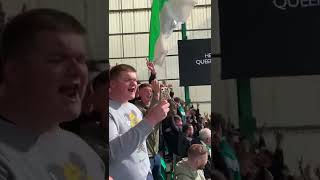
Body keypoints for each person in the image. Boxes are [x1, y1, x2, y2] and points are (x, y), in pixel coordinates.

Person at [0, 8, 105, 179]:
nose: (76, 70)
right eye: (57, 59)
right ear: (14, 71)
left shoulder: (85, 152)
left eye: (80, 60)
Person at [109, 64, 170, 180]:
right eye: (127, 80)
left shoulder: (134, 109)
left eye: (135, 80)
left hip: (146, 174)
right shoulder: (108, 112)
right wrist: (150, 120)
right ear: (112, 83)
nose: (134, 84)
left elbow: (141, 141)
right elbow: (113, 152)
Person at [134, 82, 162, 180]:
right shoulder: (136, 109)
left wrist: (166, 95)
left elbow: (172, 112)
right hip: (145, 155)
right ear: (139, 93)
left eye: (151, 90)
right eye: (146, 91)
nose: (150, 93)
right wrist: (156, 95)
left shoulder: (154, 104)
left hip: (155, 153)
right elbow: (150, 115)